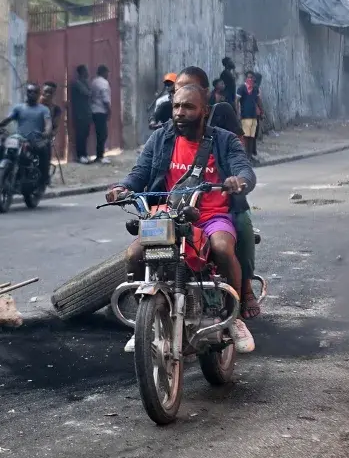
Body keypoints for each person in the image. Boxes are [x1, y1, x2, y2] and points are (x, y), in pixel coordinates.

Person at [108, 83, 256, 353]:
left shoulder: (224, 140)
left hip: (212, 216)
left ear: (204, 111)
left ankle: (234, 318)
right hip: (169, 215)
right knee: (134, 255)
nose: (179, 112)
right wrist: (124, 187)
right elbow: (139, 172)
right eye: (176, 106)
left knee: (222, 247)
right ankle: (145, 322)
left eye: (188, 106)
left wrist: (239, 180)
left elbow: (244, 169)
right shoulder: (161, 138)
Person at [174, 67, 259, 309]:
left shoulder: (221, 115)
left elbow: (239, 156)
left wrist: (237, 180)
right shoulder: (168, 129)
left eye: (188, 94)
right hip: (178, 204)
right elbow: (146, 168)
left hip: (221, 197)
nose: (180, 105)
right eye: (177, 93)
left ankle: (245, 290)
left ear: (204, 95)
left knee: (240, 227)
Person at [0, 83, 52, 188]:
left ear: (38, 94)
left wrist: (46, 132)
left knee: (44, 151)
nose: (32, 94)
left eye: (35, 92)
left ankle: (44, 178)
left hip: (35, 140)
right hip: (19, 139)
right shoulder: (19, 108)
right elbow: (9, 118)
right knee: (2, 147)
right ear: (26, 93)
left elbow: (48, 123)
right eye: (30, 92)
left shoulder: (43, 109)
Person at [70, 65, 92, 164]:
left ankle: (85, 154)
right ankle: (80, 155)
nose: (88, 73)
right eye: (86, 71)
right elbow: (87, 93)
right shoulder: (77, 83)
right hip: (80, 114)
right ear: (82, 72)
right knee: (80, 135)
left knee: (85, 134)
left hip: (86, 113)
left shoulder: (85, 82)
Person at [236, 70, 262, 158]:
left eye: (252, 77)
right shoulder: (241, 88)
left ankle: (249, 155)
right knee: (246, 136)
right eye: (248, 77)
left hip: (253, 115)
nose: (250, 79)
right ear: (246, 78)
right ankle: (246, 155)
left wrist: (262, 111)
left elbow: (258, 101)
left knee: (252, 136)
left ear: (254, 79)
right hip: (245, 115)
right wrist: (237, 113)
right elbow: (236, 101)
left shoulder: (255, 89)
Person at [90, 65, 112, 164]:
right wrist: (109, 111)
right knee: (102, 134)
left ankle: (99, 155)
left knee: (99, 134)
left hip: (94, 110)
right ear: (103, 72)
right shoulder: (103, 83)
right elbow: (105, 99)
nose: (108, 75)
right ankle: (100, 156)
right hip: (101, 111)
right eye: (107, 72)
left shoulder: (94, 81)